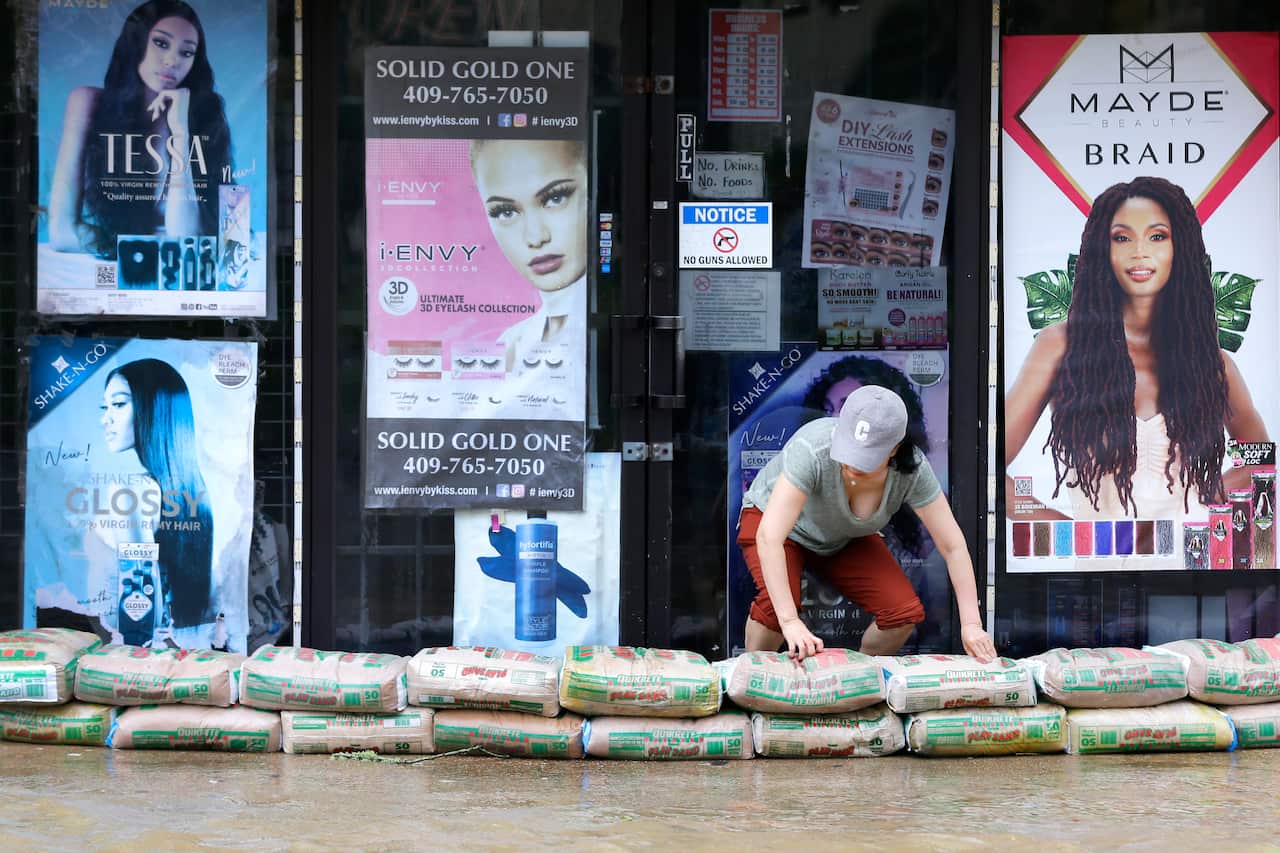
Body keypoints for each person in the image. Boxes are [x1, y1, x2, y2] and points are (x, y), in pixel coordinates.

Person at [1005, 176, 1267, 522]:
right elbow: (989, 466)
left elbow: (1262, 464)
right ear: (1104, 249)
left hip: (1193, 567)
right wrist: (1064, 529)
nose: (1139, 250)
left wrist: (1200, 502)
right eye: (1122, 237)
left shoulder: (1212, 363)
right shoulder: (1060, 346)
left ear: (1180, 247)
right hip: (1099, 573)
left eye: (1157, 236)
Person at [737, 384, 996, 661]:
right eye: (849, 449)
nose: (853, 464)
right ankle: (752, 677)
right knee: (776, 609)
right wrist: (790, 622)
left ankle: (861, 676)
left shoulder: (913, 471)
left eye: (867, 456)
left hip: (844, 535)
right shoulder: (813, 447)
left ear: (895, 448)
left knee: (902, 613)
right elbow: (770, 537)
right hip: (778, 526)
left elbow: (952, 545)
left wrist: (971, 625)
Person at [48, 0, 233, 257]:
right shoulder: (88, 103)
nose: (172, 61)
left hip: (174, 276)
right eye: (161, 43)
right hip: (130, 268)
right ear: (136, 43)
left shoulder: (205, 113)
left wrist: (180, 132)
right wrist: (126, 249)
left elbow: (185, 240)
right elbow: (60, 232)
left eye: (186, 52)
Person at [97, 359, 214, 634]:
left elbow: (138, 597)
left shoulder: (129, 494)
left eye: (119, 404)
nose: (106, 418)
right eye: (106, 407)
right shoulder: (193, 491)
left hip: (139, 653)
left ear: (153, 407)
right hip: (190, 646)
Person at [470, 138, 588, 372]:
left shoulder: (610, 334)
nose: (535, 237)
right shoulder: (511, 344)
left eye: (555, 198)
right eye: (505, 212)